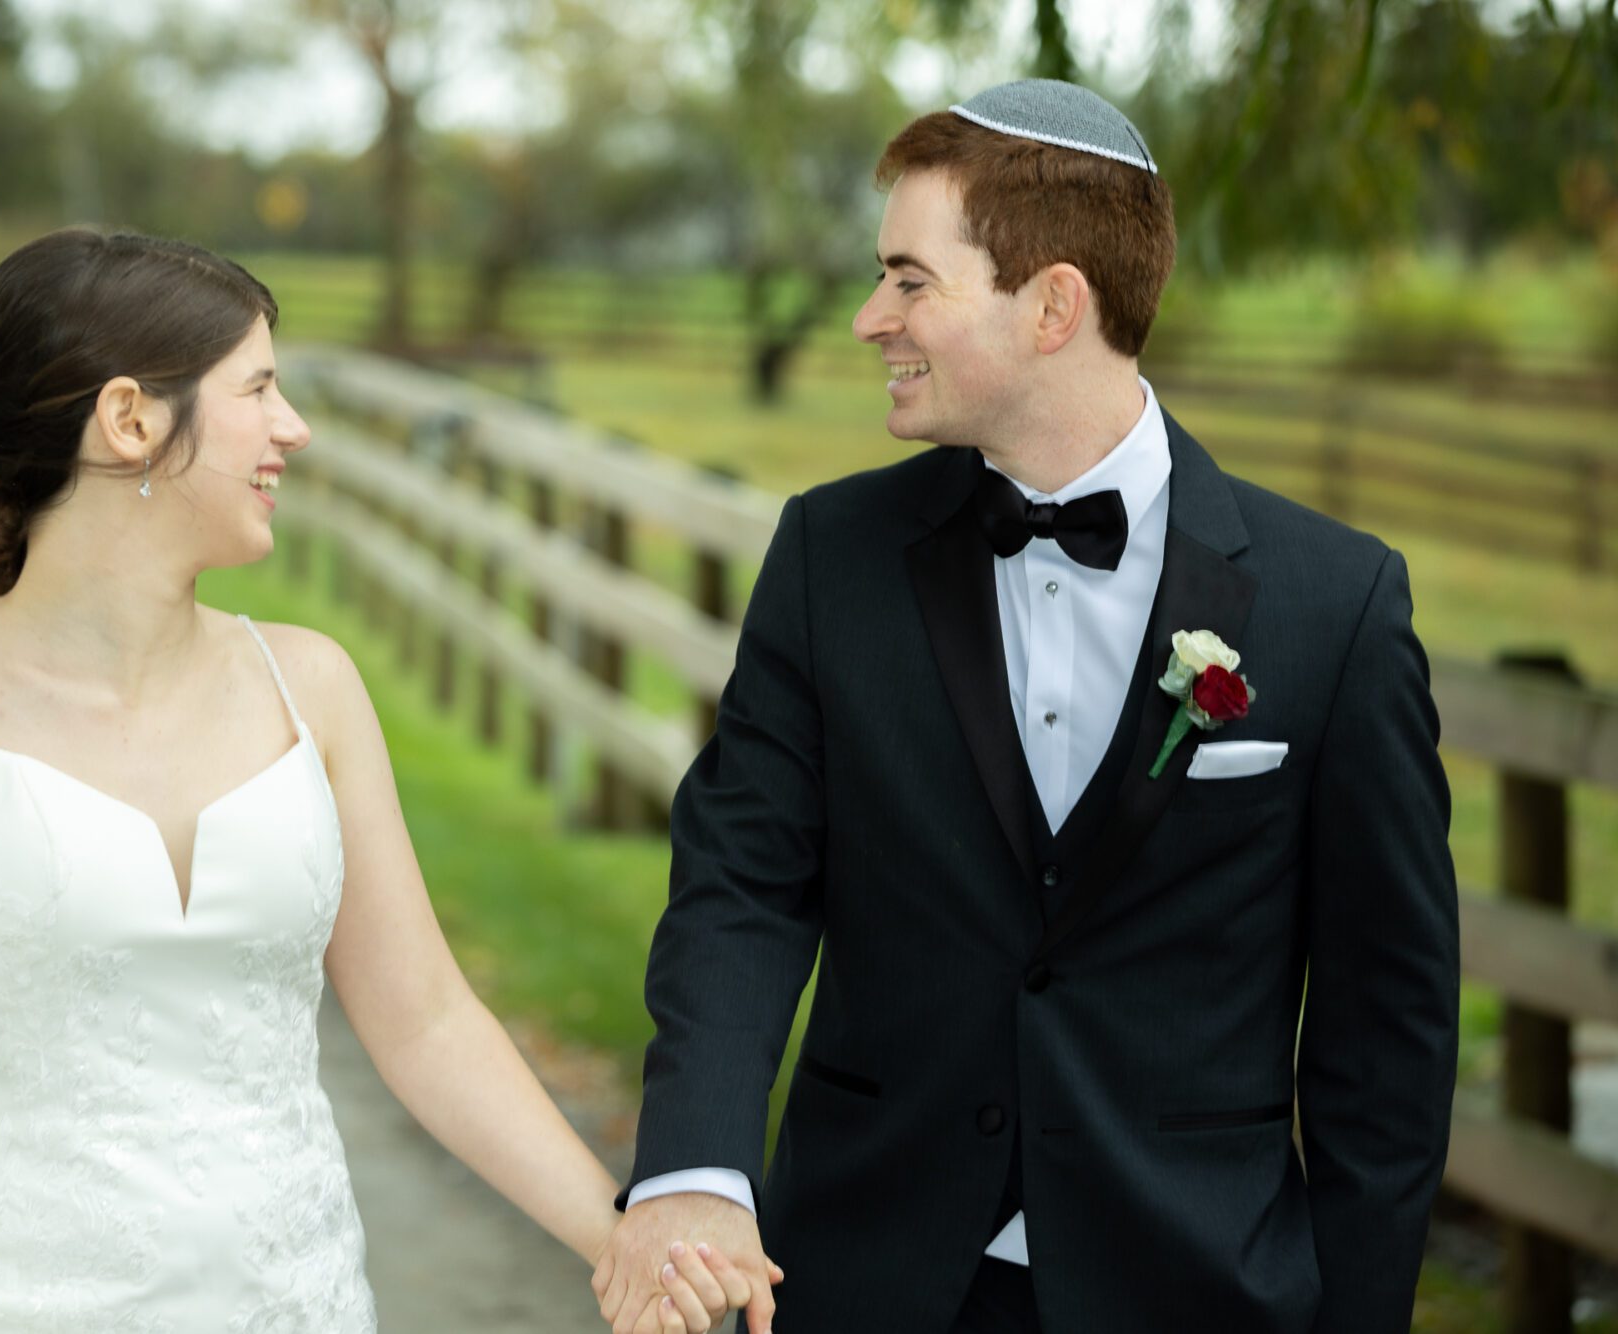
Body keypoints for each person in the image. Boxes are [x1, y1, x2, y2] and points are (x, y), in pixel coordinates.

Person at [0, 228, 773, 1332]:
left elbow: (424, 1020)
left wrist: (619, 1239)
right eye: (259, 388)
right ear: (129, 419)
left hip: (295, 1296)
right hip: (7, 1295)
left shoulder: (308, 687)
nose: (294, 429)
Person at [593, 80, 1460, 1333]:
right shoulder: (829, 556)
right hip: (864, 1278)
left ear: (1053, 304)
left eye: (907, 280)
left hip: (1196, 1289)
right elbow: (741, 882)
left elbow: (1387, 1026)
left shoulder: (1337, 601)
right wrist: (692, 1169)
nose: (864, 318)